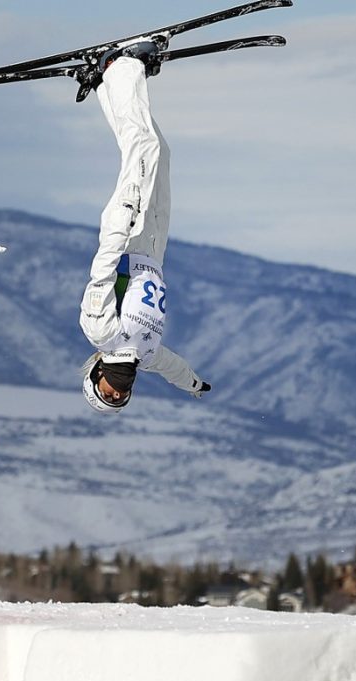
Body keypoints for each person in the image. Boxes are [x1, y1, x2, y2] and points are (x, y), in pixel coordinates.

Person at [79, 43, 211, 414]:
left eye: (108, 393)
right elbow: (174, 368)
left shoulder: (101, 333)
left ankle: (120, 67)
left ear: (96, 376)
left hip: (127, 236)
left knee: (144, 148)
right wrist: (194, 384)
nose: (118, 393)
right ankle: (107, 83)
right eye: (120, 399)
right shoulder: (148, 355)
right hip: (154, 248)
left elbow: (101, 274)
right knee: (158, 152)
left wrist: (120, 223)